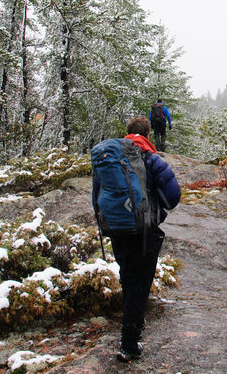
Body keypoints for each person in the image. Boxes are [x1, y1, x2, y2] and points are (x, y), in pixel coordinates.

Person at [92, 116, 180, 362]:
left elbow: (96, 197)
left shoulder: (109, 159)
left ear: (127, 133)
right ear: (148, 136)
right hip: (144, 231)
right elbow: (172, 199)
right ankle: (129, 343)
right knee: (140, 284)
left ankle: (130, 327)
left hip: (117, 227)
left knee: (128, 276)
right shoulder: (151, 159)